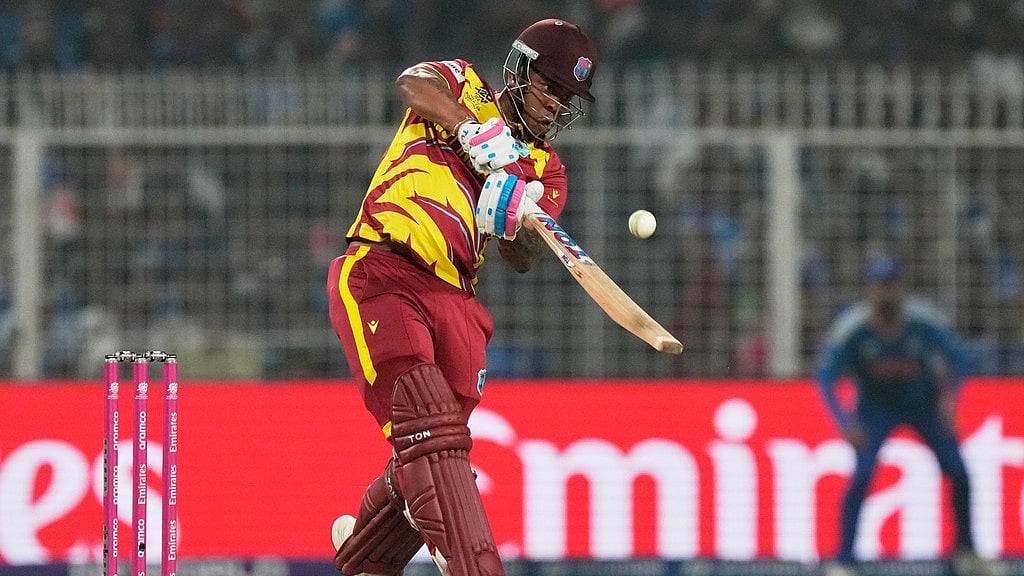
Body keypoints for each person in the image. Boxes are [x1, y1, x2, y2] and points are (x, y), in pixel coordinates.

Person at [324, 19, 597, 576]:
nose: (554, 107)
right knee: (430, 431)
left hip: (458, 303)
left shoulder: (546, 170)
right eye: (549, 86)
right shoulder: (464, 83)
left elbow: (521, 258)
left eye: (566, 99)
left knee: (428, 455)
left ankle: (361, 556)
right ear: (519, 70)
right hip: (386, 268)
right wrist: (474, 132)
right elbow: (412, 82)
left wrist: (516, 216)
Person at [817, 256, 998, 576]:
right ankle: (844, 561)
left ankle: (966, 552)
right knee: (861, 475)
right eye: (879, 286)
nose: (886, 294)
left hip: (924, 404)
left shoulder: (924, 321)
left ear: (901, 288)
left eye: (891, 286)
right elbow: (826, 376)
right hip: (875, 407)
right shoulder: (853, 328)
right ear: (869, 290)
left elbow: (960, 359)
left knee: (957, 469)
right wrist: (845, 422)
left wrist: (950, 401)